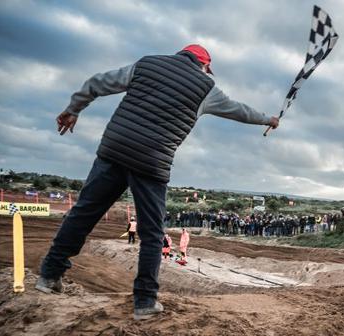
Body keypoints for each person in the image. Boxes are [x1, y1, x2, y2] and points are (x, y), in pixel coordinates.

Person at [35, 44, 279, 320]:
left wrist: (73, 109)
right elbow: (240, 110)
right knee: (152, 234)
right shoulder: (206, 88)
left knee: (82, 214)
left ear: (179, 55)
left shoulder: (147, 64)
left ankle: (48, 276)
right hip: (151, 162)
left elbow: (95, 83)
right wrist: (267, 119)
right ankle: (145, 302)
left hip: (114, 149)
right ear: (204, 66)